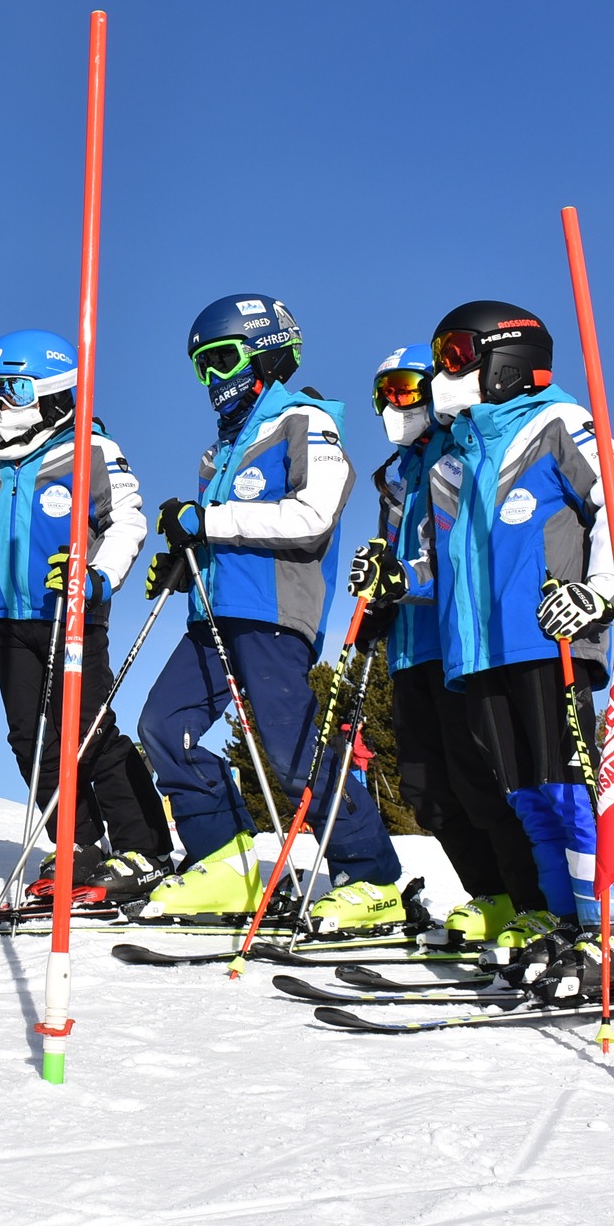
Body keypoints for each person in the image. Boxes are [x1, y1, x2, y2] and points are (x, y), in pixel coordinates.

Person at [352, 302, 614, 1000]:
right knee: (524, 796)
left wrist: (599, 590)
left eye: (455, 357)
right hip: (475, 653)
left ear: (505, 358)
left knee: (570, 787)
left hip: (546, 639)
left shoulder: (556, 425)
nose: (443, 375)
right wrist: (398, 585)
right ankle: (559, 919)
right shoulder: (458, 462)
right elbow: (442, 565)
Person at [136, 294, 406, 928]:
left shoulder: (305, 421)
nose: (213, 379)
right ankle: (226, 865)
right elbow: (224, 534)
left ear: (265, 353)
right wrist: (187, 560)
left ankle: (370, 878)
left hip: (277, 609)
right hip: (214, 614)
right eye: (202, 366)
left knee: (292, 752)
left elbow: (314, 516)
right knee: (160, 725)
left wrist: (209, 520)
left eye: (223, 359)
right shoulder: (219, 450)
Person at [0, 329, 173, 903]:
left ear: (52, 391)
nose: (0, 401)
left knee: (87, 733)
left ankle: (145, 846)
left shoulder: (90, 449)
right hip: (5, 617)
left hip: (68, 613)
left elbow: (127, 521)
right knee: (29, 738)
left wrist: (95, 577)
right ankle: (75, 841)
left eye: (14, 388)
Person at [359, 345, 541, 947]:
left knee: (477, 779)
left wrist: (406, 579)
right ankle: (489, 894)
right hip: (410, 649)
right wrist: (379, 598)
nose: (394, 403)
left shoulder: (458, 454)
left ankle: (526, 898)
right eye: (384, 392)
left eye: (407, 389)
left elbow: (458, 555)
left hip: (457, 644)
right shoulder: (397, 475)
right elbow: (397, 556)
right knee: (425, 788)